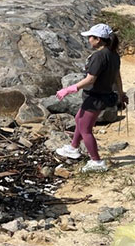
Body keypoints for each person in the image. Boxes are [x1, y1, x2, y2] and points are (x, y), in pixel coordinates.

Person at [55, 23, 128, 172]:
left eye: (90, 37)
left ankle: (97, 162)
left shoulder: (99, 56)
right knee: (78, 119)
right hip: (103, 95)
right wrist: (121, 94)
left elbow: (90, 79)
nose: (88, 40)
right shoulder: (113, 55)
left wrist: (70, 89)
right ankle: (73, 148)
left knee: (85, 129)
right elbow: (117, 76)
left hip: (95, 97)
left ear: (99, 39)